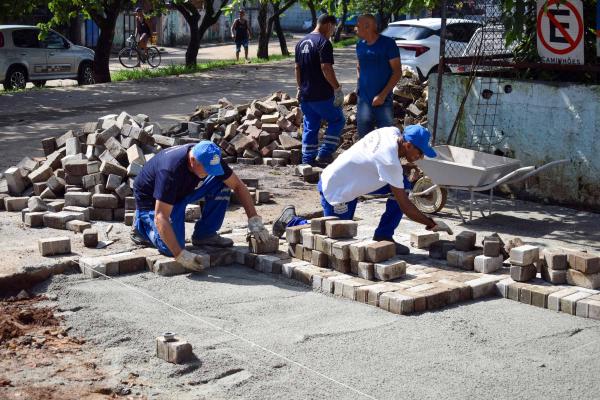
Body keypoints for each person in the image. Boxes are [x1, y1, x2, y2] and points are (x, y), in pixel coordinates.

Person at [272, 125, 452, 254]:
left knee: (403, 186)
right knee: (334, 236)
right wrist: (431, 223)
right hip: (336, 188)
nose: (421, 157)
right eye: (420, 152)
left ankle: (384, 237)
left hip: (350, 181)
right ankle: (291, 221)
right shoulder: (389, 161)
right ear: (409, 145)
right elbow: (405, 206)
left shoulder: (391, 132)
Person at [131, 141, 270, 271]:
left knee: (223, 183)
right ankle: (141, 227)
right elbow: (161, 216)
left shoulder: (209, 156)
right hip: (153, 201)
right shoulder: (170, 171)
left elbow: (238, 186)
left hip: (181, 191)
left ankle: (205, 235)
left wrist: (254, 220)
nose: (209, 172)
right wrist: (180, 254)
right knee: (170, 248)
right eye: (207, 169)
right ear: (192, 160)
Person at [294, 14, 345, 167]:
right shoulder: (323, 43)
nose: (332, 32)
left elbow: (297, 68)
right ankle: (324, 153)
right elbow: (326, 68)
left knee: (311, 125)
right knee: (337, 120)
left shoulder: (300, 43)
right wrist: (337, 88)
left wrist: (299, 88)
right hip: (322, 95)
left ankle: (307, 160)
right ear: (329, 25)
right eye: (333, 28)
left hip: (306, 96)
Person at [355, 14, 402, 138]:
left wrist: (382, 95)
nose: (355, 28)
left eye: (358, 26)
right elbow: (359, 67)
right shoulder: (360, 45)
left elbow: (397, 72)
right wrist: (360, 87)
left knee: (387, 138)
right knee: (364, 139)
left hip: (383, 101)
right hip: (363, 101)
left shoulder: (388, 44)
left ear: (367, 26)